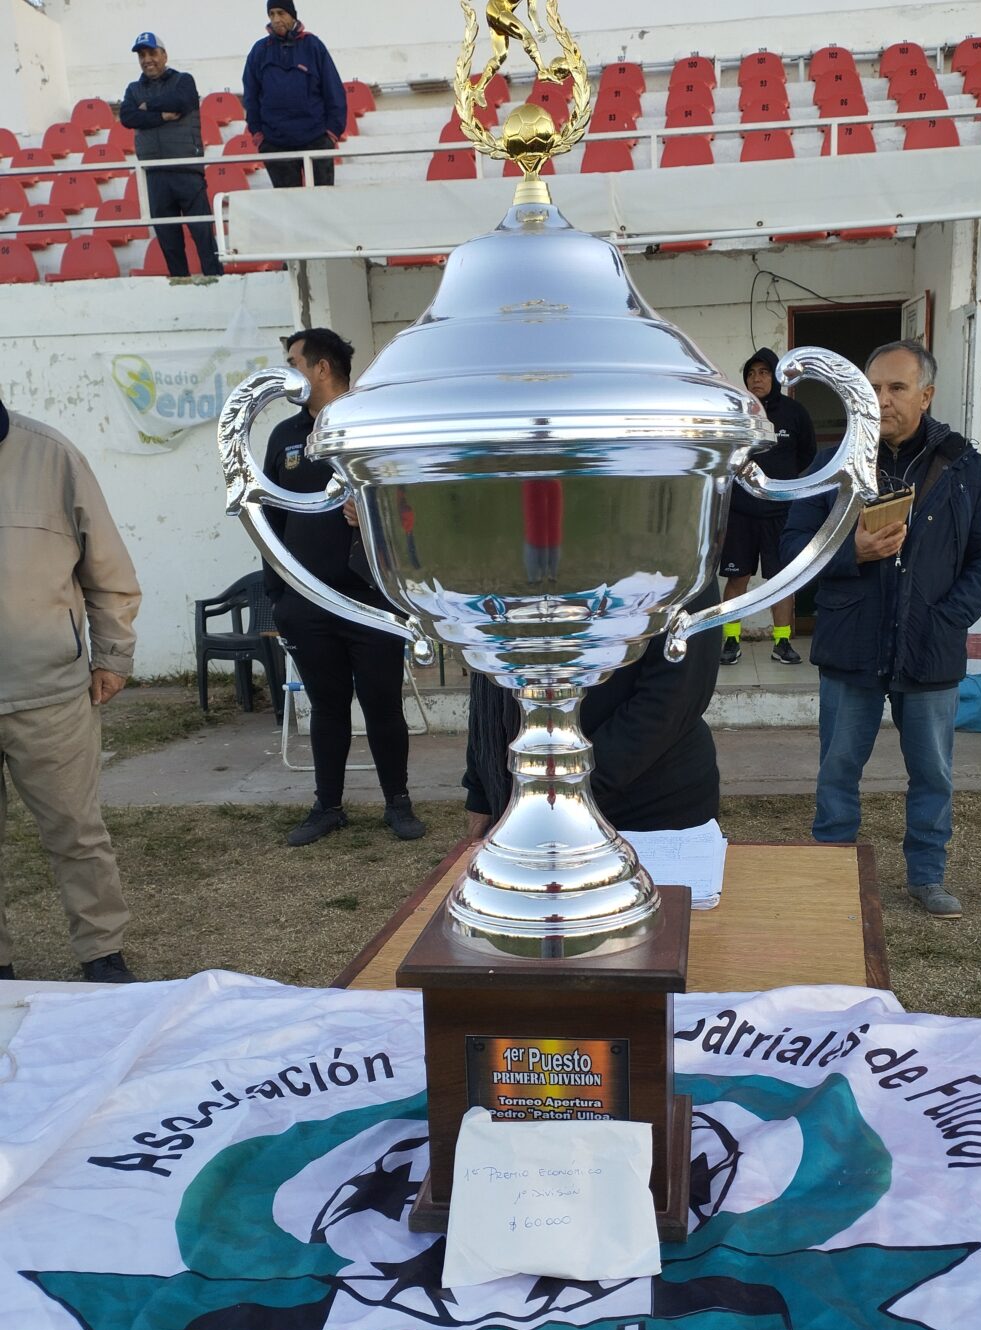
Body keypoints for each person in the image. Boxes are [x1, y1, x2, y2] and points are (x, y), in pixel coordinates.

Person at [779, 341, 981, 920]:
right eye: (873, 388)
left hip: (929, 647)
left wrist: (951, 615)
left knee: (932, 771)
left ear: (926, 394)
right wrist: (848, 552)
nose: (881, 400)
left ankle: (927, 875)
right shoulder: (834, 463)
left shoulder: (965, 466)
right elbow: (792, 547)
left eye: (896, 388)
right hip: (852, 644)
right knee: (838, 767)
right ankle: (832, 868)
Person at [262, 328, 426, 847]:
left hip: (371, 600)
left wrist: (374, 515)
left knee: (382, 704)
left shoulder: (375, 428)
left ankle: (397, 804)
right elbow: (267, 518)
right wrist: (280, 599)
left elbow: (413, 507)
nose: (288, 371)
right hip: (307, 603)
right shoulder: (284, 437)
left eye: (294, 362)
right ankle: (327, 806)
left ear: (321, 369)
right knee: (327, 707)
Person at [0, 399, 141, 982]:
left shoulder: (53, 456)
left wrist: (112, 655)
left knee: (77, 832)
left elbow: (108, 572)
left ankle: (102, 952)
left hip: (49, 691)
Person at [463, 576, 722, 835]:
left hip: (646, 806)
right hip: (523, 799)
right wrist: (481, 793)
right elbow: (489, 678)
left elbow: (674, 696)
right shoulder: (508, 546)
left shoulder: (673, 544)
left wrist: (565, 790)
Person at [719, 347, 816, 668]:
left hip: (781, 513)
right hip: (740, 512)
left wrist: (782, 483)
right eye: (751, 373)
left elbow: (806, 456)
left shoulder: (795, 413)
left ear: (775, 377)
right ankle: (731, 640)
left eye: (763, 373)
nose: (756, 378)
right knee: (737, 579)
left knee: (782, 581)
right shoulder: (737, 413)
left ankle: (782, 641)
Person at [119, 31, 224, 279]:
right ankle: (180, 285)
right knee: (168, 240)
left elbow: (182, 101)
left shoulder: (184, 80)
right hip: (155, 175)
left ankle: (218, 284)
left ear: (164, 55)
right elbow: (128, 117)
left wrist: (148, 108)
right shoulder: (133, 89)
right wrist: (161, 115)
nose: (147, 60)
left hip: (186, 170)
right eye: (142, 55)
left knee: (202, 235)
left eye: (152, 53)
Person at [243, 3, 347, 189]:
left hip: (316, 139)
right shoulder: (259, 50)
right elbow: (250, 96)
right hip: (275, 143)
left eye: (281, 13)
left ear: (292, 15)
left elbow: (333, 90)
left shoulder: (313, 45)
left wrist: (331, 134)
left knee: (323, 205)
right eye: (271, 14)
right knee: (289, 210)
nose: (276, 19)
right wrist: (259, 136)